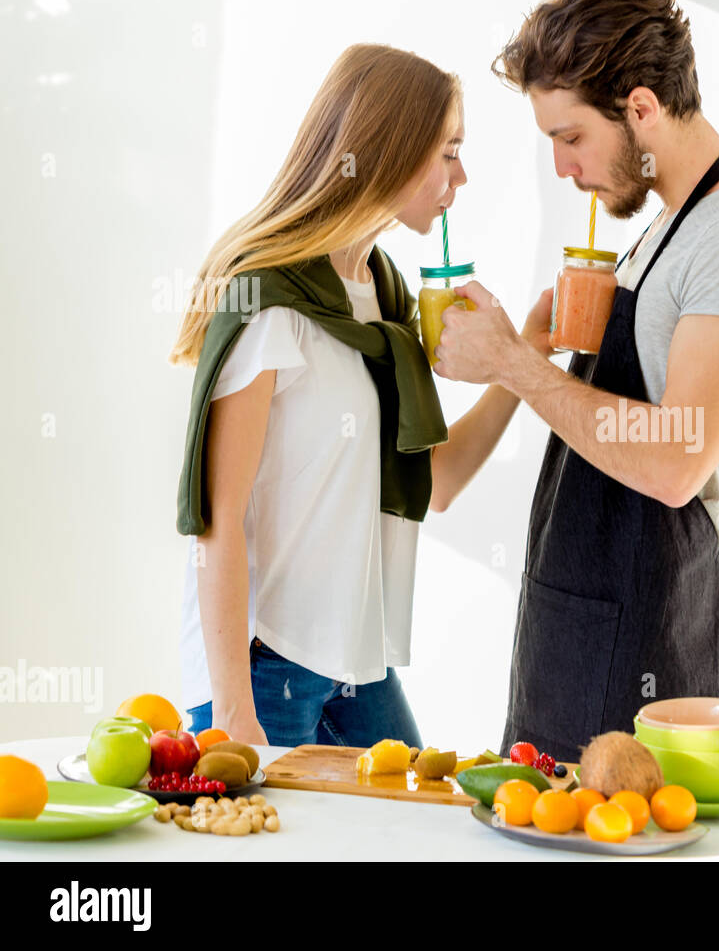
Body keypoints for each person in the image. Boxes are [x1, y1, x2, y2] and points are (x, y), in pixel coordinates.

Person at [433, 0, 719, 762]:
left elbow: (676, 463)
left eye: (571, 136)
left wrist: (512, 360)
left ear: (641, 108)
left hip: (649, 648)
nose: (562, 167)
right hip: (571, 635)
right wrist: (535, 349)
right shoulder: (661, 234)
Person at [168, 44, 552, 748]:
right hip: (261, 666)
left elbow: (435, 483)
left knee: (427, 836)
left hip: (353, 658)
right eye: (448, 151)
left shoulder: (385, 297)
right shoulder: (271, 298)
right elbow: (216, 522)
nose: (461, 175)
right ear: (388, 150)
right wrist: (232, 717)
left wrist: (520, 362)